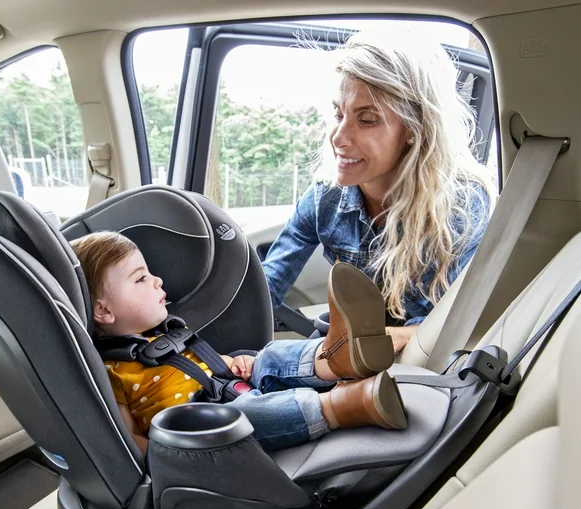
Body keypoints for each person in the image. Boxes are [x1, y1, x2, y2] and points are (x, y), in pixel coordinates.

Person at [262, 30, 495, 355]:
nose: (338, 137)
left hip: (417, 363)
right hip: (348, 348)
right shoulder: (325, 197)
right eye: (339, 114)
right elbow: (265, 288)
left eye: (367, 120)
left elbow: (450, 327)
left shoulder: (461, 209)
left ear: (414, 128)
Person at [71, 230, 407, 455]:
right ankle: (345, 406)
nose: (157, 280)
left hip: (231, 386)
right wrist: (170, 456)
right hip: (208, 432)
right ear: (103, 310)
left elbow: (205, 363)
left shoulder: (167, 333)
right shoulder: (111, 370)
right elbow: (129, 438)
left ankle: (335, 355)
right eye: (141, 278)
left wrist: (235, 364)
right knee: (246, 414)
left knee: (268, 357)